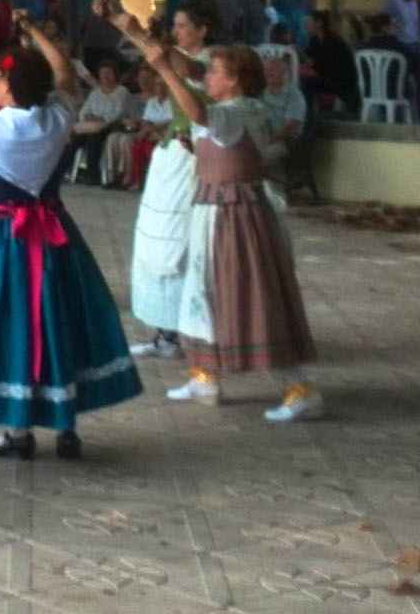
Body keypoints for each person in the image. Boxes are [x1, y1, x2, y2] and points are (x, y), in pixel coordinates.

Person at [0, 44, 143, 459]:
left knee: (10, 323)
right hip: (53, 234)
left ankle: (18, 431)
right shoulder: (57, 117)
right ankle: (66, 425)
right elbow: (65, 77)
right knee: (58, 320)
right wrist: (37, 34)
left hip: (0, 238)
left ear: (10, 86)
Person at [121, 33, 322, 422]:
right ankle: (205, 375)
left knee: (248, 297)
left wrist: (163, 67)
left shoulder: (242, 111)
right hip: (213, 211)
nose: (209, 76)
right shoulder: (235, 109)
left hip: (236, 216)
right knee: (203, 292)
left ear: (236, 80)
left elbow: (200, 114)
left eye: (216, 71)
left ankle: (299, 387)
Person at [124, 3, 216, 359]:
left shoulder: (211, 59)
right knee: (156, 236)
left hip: (192, 154)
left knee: (183, 240)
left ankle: (187, 329)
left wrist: (139, 33)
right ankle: (165, 330)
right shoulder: (177, 56)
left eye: (182, 25)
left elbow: (183, 66)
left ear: (202, 29)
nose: (177, 31)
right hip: (170, 155)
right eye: (175, 26)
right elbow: (163, 56)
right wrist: (125, 23)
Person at [69, 58, 132, 185]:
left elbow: (118, 113)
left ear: (115, 75)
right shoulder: (95, 93)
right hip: (92, 126)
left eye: (109, 74)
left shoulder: (122, 92)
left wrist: (99, 119)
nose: (106, 77)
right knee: (73, 140)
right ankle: (67, 171)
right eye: (103, 74)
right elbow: (84, 111)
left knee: (94, 139)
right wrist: (90, 118)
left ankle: (94, 175)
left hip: (112, 125)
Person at [121, 66, 172, 192]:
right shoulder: (152, 102)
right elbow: (145, 119)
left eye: (161, 85)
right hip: (151, 133)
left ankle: (157, 181)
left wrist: (152, 129)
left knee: (149, 149)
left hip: (164, 133)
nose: (159, 87)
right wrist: (145, 130)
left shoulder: (171, 102)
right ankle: (138, 181)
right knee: (137, 148)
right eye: (157, 85)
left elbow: (170, 121)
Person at [259, 54, 306, 174]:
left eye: (272, 69)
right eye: (265, 70)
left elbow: (291, 126)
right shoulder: (260, 93)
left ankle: (264, 190)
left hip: (286, 141)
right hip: (263, 138)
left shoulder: (294, 94)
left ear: (283, 72)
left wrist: (269, 140)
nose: (267, 73)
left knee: (260, 159)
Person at [303, 10, 359, 112]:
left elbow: (327, 66)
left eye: (309, 23)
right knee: (303, 79)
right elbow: (308, 57)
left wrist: (310, 63)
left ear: (319, 23)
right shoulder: (314, 40)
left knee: (305, 82)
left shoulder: (333, 41)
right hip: (327, 77)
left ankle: (309, 114)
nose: (306, 26)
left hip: (341, 81)